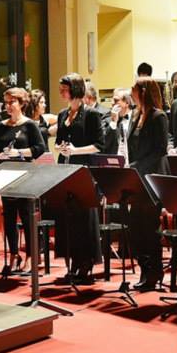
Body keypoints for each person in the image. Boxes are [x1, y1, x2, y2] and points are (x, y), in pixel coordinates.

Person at [53, 73, 104, 282]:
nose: (61, 93)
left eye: (64, 89)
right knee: (68, 218)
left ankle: (85, 263)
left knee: (84, 218)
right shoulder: (62, 114)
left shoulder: (91, 114)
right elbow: (58, 141)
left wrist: (75, 151)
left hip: (84, 170)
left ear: (75, 89)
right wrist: (61, 147)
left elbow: (99, 145)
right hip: (65, 169)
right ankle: (73, 262)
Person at [0, 87, 46, 273]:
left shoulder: (29, 125)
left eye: (12, 102)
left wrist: (19, 152)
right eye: (6, 102)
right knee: (9, 217)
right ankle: (14, 254)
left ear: (21, 104)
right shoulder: (1, 126)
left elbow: (39, 148)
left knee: (26, 216)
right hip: (6, 175)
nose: (8, 106)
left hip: (26, 175)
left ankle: (31, 255)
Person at [126, 76, 169, 290]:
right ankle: (144, 267)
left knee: (150, 227)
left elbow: (160, 150)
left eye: (134, 89)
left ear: (143, 92)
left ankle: (154, 271)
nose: (130, 92)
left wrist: (136, 166)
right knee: (135, 226)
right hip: (137, 178)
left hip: (151, 178)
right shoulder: (135, 115)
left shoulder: (158, 116)